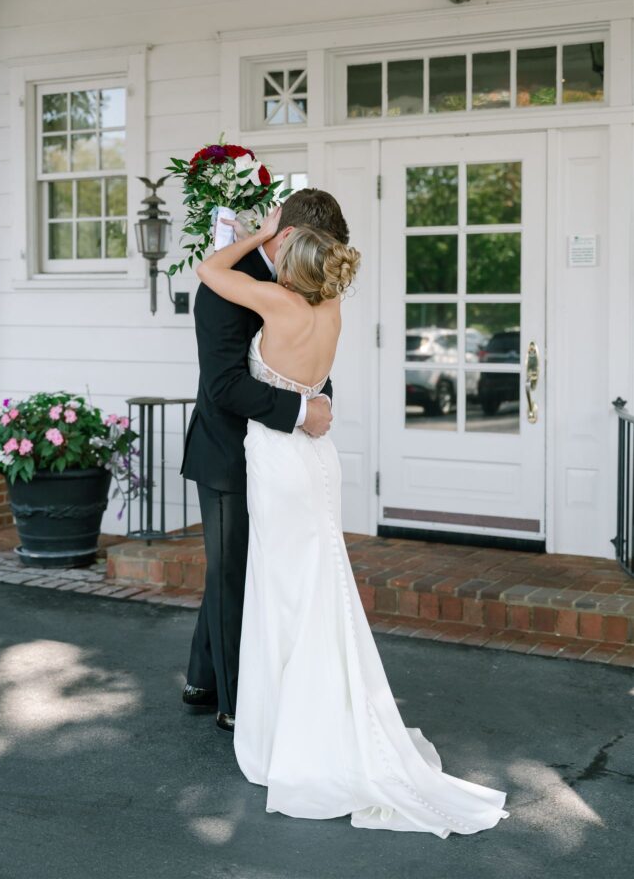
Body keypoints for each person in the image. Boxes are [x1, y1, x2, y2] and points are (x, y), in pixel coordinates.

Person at [194, 206, 511, 836]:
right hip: (319, 457)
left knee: (284, 590)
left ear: (289, 259)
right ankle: (321, 709)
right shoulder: (330, 309)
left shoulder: (275, 304)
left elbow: (207, 269)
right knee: (320, 583)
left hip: (281, 460)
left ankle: (289, 723)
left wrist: (254, 234)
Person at [180, 189, 349, 732]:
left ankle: (203, 677)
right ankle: (234, 703)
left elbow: (307, 364)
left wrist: (316, 400)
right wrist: (304, 411)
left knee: (242, 572)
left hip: (283, 451)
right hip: (228, 452)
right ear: (287, 235)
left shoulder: (296, 279)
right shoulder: (230, 288)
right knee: (232, 573)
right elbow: (225, 385)